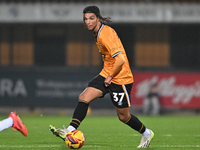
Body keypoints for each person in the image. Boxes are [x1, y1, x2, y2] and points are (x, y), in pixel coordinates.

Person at [49, 5, 154, 148]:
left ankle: (146, 133)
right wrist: (108, 75)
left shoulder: (106, 34)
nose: (88, 22)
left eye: (91, 18)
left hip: (121, 78)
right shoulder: (98, 32)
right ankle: (70, 131)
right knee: (84, 97)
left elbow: (121, 60)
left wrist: (110, 77)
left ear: (98, 18)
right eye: (86, 19)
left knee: (123, 117)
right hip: (107, 73)